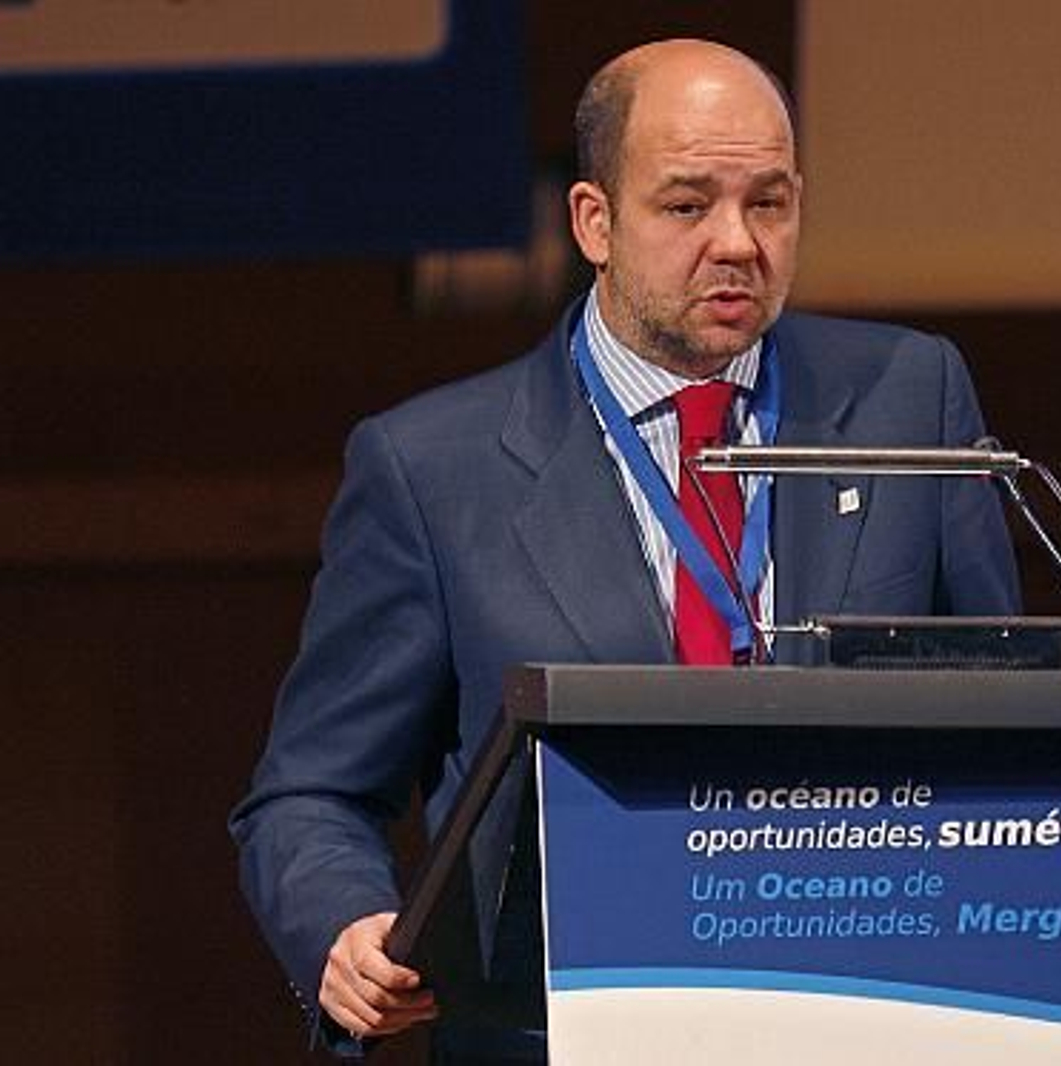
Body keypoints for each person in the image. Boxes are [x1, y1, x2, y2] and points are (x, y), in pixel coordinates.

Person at [230, 38, 1020, 1062]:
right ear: (594, 222)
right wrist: (344, 929)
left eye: (770, 203)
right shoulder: (432, 468)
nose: (737, 242)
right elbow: (312, 793)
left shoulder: (910, 396)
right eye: (687, 206)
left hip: (864, 1017)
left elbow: (1013, 717)